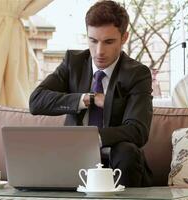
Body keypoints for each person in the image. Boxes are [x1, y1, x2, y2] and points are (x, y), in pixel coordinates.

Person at [29, 0, 153, 187]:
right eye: (93, 41)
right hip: (73, 155)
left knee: (127, 151)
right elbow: (36, 101)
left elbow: (138, 130)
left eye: (109, 42)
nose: (99, 51)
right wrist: (86, 99)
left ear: (124, 37)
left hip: (117, 158)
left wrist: (92, 138)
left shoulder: (137, 74)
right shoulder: (74, 63)